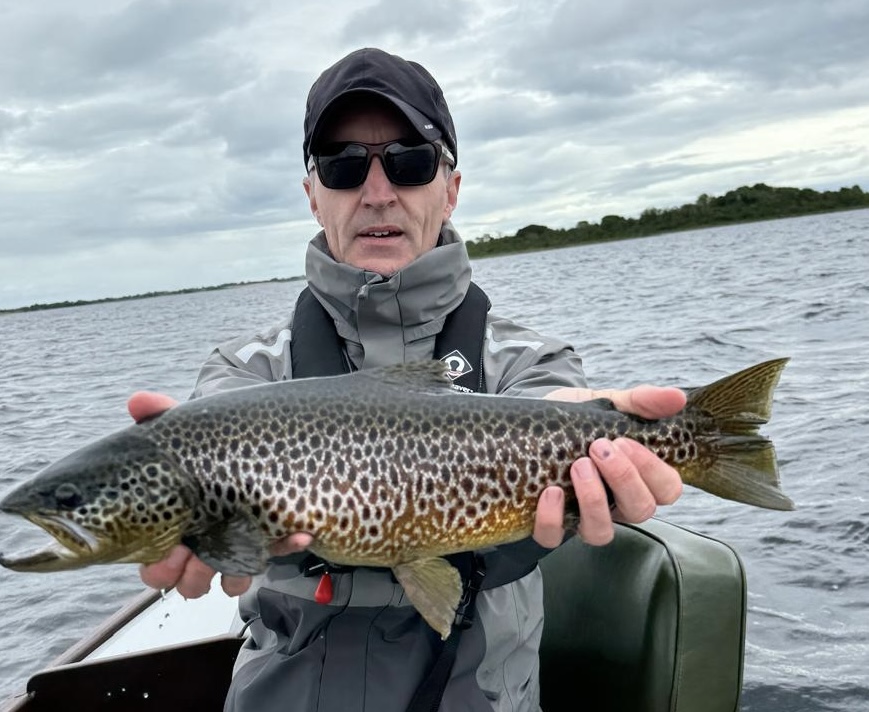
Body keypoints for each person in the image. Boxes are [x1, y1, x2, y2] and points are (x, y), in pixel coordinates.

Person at [130, 48, 685, 712]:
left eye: (409, 161)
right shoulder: (245, 373)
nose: (376, 191)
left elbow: (545, 404)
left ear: (449, 187)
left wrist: (586, 431)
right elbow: (209, 466)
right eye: (341, 166)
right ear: (313, 196)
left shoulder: (528, 359)